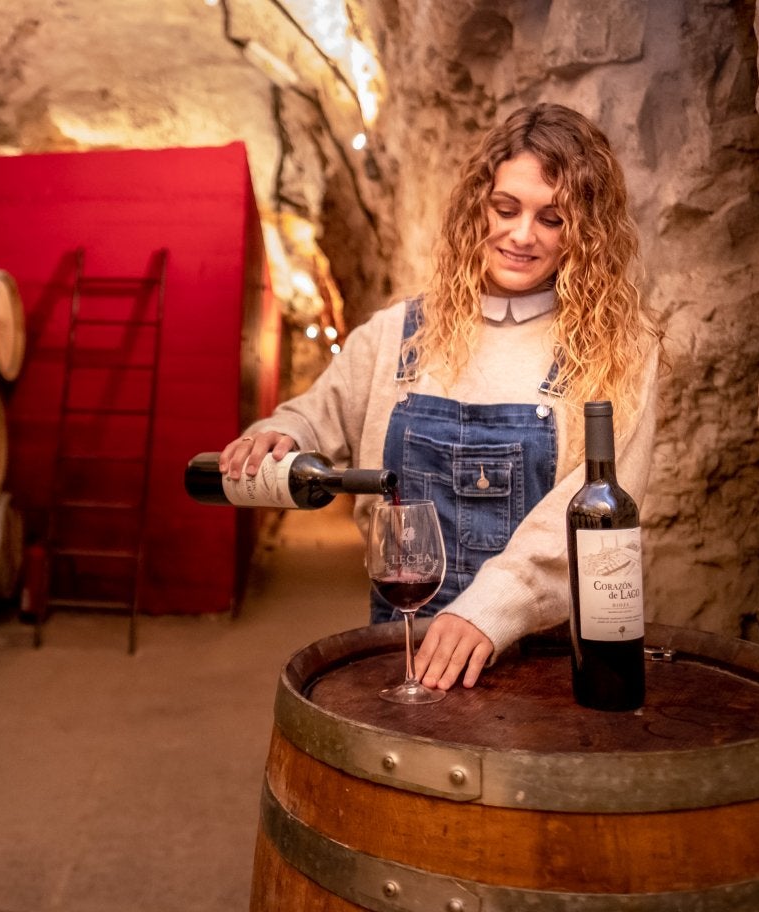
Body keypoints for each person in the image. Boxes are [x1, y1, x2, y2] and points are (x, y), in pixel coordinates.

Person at [220, 102, 661, 692]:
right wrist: (284, 433)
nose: (522, 235)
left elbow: (594, 513)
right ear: (477, 206)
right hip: (400, 637)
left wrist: (491, 608)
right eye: (505, 208)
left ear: (585, 230)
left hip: (540, 655)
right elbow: (315, 412)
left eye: (552, 219)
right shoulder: (398, 333)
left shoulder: (618, 347)